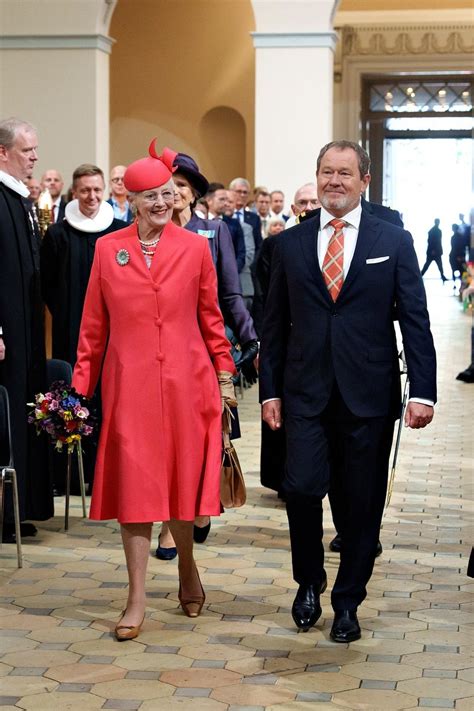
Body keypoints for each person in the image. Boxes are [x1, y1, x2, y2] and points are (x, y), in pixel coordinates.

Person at [260, 140, 436, 643]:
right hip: (304, 393)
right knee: (300, 488)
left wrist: (423, 390)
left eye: (344, 173)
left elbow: (415, 321)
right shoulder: (288, 246)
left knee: (361, 505)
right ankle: (308, 582)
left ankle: (347, 601)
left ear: (364, 181)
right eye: (325, 172)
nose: (333, 181)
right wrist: (269, 391)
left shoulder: (393, 239)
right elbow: (273, 328)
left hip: (369, 396)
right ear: (316, 179)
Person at [71, 141, 236, 640]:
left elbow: (212, 320)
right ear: (132, 201)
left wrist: (225, 375)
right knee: (137, 491)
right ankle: (136, 598)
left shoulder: (195, 248)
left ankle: (187, 565)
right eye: (151, 197)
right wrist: (78, 390)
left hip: (189, 385)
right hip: (129, 388)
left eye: (168, 194)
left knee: (182, 488)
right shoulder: (107, 249)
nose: (162, 203)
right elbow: (92, 329)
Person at [155, 152, 258, 559]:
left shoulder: (213, 231)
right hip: (164, 350)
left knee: (207, 433)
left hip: (206, 346)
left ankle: (200, 505)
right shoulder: (151, 234)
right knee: (166, 437)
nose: (175, 192)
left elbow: (230, 292)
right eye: (169, 185)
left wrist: (250, 338)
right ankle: (167, 525)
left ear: (195, 192)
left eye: (182, 185)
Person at [40, 164, 125, 493]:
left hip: (113, 336)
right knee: (72, 401)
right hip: (70, 334)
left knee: (108, 402)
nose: (91, 196)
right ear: (74, 193)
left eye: (96, 190)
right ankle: (70, 476)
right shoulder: (57, 235)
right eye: (85, 190)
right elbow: (46, 286)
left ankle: (106, 473)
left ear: (104, 191)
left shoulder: (119, 230)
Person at [0, 117, 53, 542]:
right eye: (27, 151)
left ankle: (22, 506)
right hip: (5, 332)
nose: (35, 157)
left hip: (26, 329)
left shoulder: (21, 199)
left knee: (25, 407)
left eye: (35, 150)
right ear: (3, 152)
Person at [207, 183, 246, 272]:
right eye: (221, 199)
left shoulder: (234, 224)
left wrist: (231, 272)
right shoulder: (199, 222)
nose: (226, 203)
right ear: (209, 200)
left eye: (226, 200)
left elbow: (241, 253)